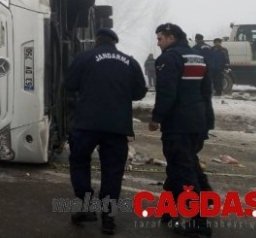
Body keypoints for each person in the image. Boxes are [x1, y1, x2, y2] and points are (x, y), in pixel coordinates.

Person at [65, 28, 147, 235]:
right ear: (114, 43)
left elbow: (69, 85)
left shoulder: (84, 57)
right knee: (112, 171)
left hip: (86, 124)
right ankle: (108, 218)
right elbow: (139, 92)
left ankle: (86, 206)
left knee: (80, 161)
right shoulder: (130, 61)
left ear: (96, 42)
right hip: (117, 126)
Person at [149, 23, 214, 236]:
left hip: (178, 125)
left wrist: (157, 118)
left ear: (170, 37)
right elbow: (206, 92)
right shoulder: (198, 56)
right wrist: (207, 122)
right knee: (187, 165)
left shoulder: (169, 58)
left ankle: (199, 223)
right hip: (197, 122)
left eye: (160, 39)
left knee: (183, 170)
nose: (158, 43)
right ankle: (196, 204)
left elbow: (167, 93)